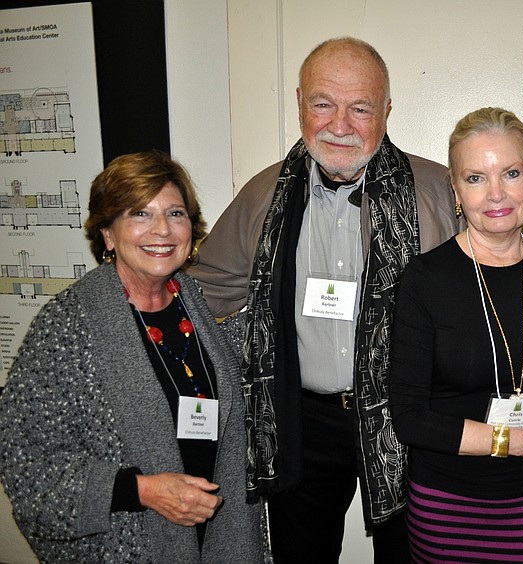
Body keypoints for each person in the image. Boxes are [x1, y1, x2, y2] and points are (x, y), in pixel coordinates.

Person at [188, 37, 460, 562]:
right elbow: (202, 293)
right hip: (301, 422)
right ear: (299, 103)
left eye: (360, 107)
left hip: (406, 419)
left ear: (385, 111)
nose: (340, 124)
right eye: (323, 104)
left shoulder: (438, 192)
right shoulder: (263, 196)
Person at [0, 151, 265, 563]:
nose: (162, 230)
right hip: (131, 545)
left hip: (214, 539)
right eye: (140, 213)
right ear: (107, 233)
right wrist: (144, 491)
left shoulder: (191, 300)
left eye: (175, 213)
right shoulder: (67, 326)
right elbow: (27, 468)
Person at [388, 107, 523, 562]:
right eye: (476, 178)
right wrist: (517, 441)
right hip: (447, 506)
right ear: (455, 189)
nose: (496, 193)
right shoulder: (425, 279)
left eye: (511, 173)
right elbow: (410, 417)